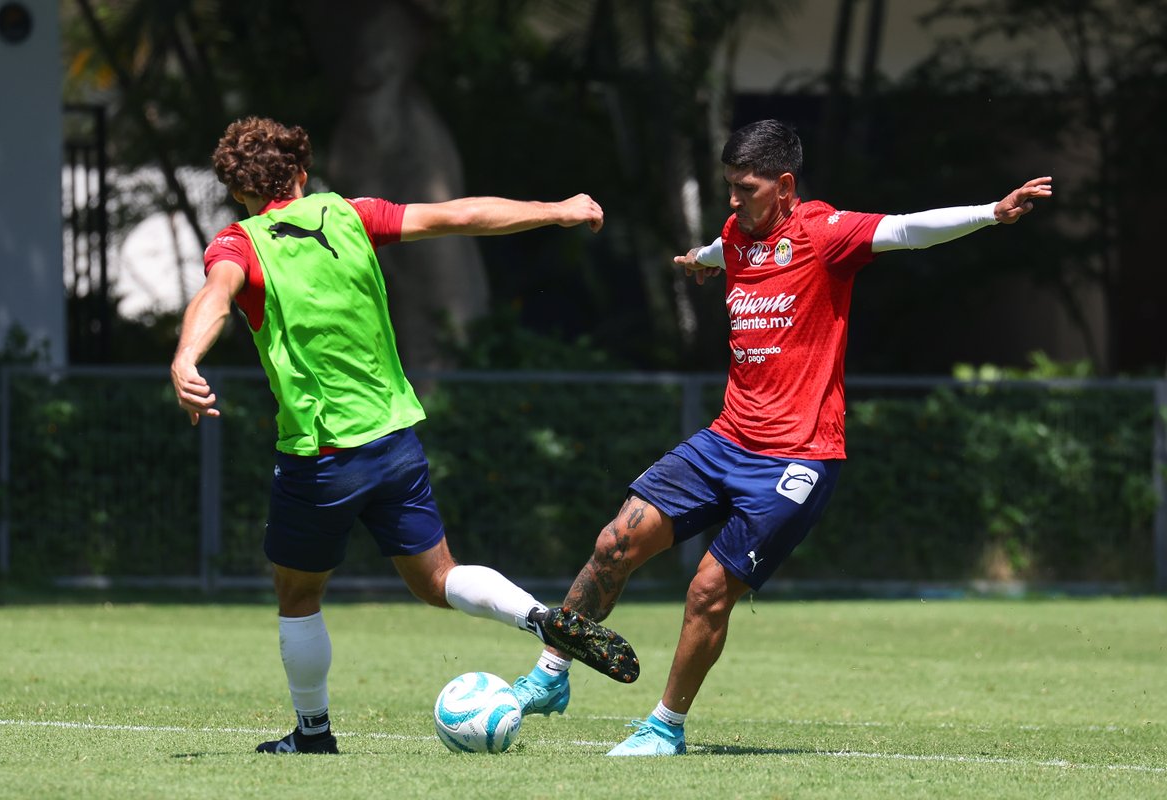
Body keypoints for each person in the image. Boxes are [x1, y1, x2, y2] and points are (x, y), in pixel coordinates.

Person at [510, 119, 1053, 756]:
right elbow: (724, 249)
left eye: (746, 186)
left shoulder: (824, 234)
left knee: (708, 590)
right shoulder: (738, 236)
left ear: (785, 185)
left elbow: (906, 229)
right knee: (614, 543)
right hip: (724, 441)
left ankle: (664, 727)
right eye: (729, 187)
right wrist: (699, 261)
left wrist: (992, 212)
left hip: (798, 458)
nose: (734, 200)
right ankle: (551, 674)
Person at [170, 116, 639, 755]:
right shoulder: (352, 215)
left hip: (321, 454)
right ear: (302, 175)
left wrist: (185, 359)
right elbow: (461, 214)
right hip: (394, 441)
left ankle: (313, 736)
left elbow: (215, 298)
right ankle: (539, 618)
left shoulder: (240, 244)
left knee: (297, 593)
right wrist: (556, 209)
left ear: (236, 188)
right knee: (437, 579)